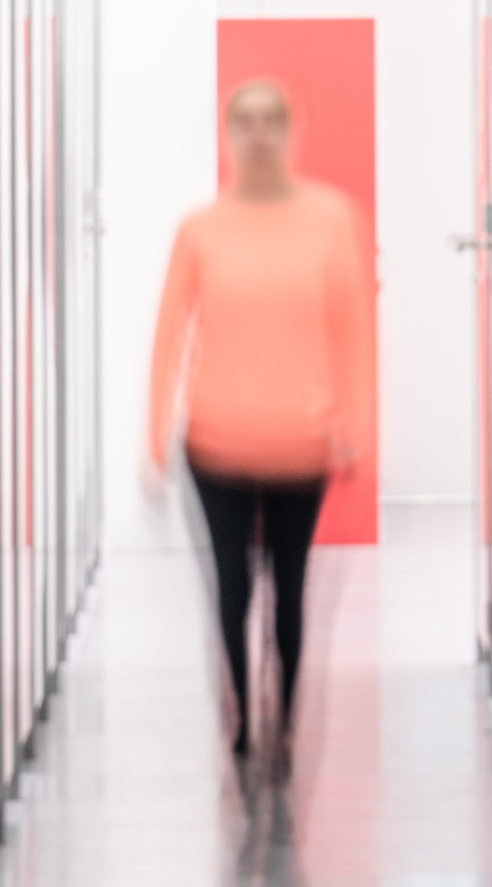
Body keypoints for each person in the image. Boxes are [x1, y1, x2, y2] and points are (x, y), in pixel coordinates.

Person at [146, 79, 375, 758]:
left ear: (290, 130)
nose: (258, 133)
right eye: (244, 120)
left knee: (290, 586)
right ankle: (244, 712)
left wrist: (357, 428)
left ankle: (287, 713)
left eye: (272, 119)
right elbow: (168, 335)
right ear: (227, 133)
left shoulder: (331, 220)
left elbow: (353, 332)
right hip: (214, 443)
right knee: (234, 584)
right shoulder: (200, 230)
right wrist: (155, 438)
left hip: (301, 445)